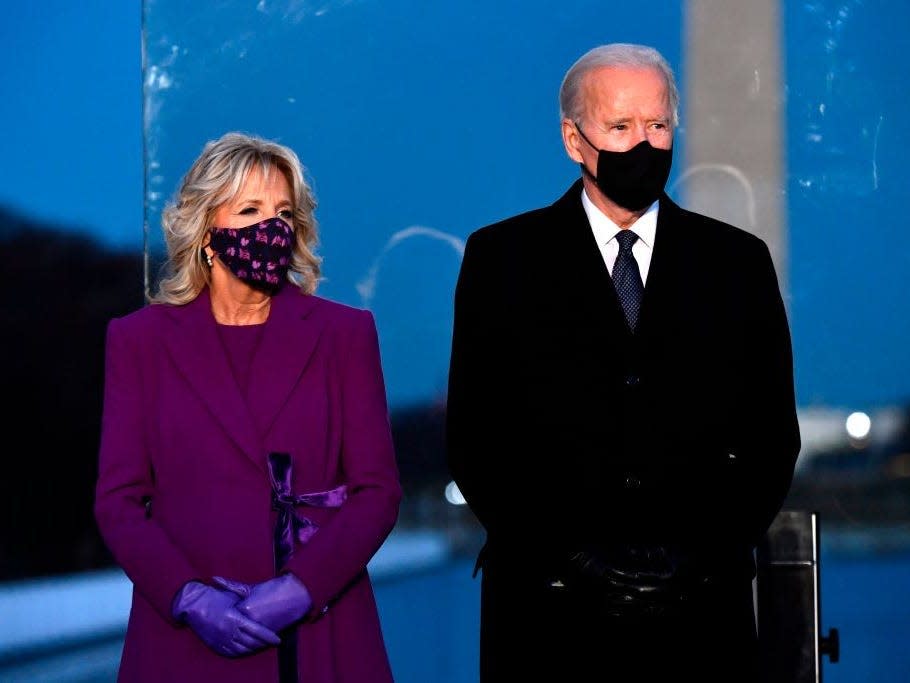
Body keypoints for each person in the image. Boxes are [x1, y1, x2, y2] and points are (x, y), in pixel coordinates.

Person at [445, 43, 801, 682]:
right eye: (620, 126)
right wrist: (574, 560)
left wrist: (696, 561)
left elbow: (771, 438)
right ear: (573, 140)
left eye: (657, 125)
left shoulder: (738, 264)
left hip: (701, 622)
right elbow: (478, 440)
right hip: (547, 621)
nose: (644, 143)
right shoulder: (501, 260)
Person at [94, 131, 401, 683]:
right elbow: (118, 502)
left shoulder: (344, 334)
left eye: (284, 213)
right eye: (251, 209)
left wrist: (300, 589)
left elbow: (377, 492)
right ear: (206, 231)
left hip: (319, 627)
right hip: (185, 638)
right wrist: (189, 599)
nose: (272, 228)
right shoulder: (139, 340)